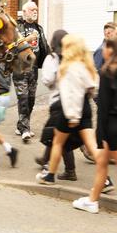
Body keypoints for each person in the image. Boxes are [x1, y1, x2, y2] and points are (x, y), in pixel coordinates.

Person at [35, 35, 111, 187]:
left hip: (70, 110)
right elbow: (93, 86)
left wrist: (72, 116)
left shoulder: (70, 68)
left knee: (57, 143)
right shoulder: (86, 65)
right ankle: (106, 180)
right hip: (86, 108)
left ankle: (50, 176)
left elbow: (71, 94)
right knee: (92, 147)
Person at [73, 35, 117, 214]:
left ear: (112, 50)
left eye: (106, 47)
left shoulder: (107, 72)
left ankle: (92, 200)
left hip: (112, 127)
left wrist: (100, 137)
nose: (103, 51)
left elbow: (104, 108)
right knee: (101, 162)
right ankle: (92, 200)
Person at [36, 30, 79, 181]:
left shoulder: (51, 58)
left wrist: (56, 76)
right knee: (58, 135)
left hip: (57, 101)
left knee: (58, 136)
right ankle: (46, 160)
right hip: (72, 100)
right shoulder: (72, 57)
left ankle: (67, 170)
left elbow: (47, 80)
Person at [13, 1, 49, 142]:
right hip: (20, 68)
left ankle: (21, 125)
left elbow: (44, 47)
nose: (35, 12)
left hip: (33, 69)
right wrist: (27, 39)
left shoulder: (38, 28)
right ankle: (25, 129)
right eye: (32, 10)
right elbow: (12, 46)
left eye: (36, 10)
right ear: (24, 11)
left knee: (31, 99)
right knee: (23, 98)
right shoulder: (16, 27)